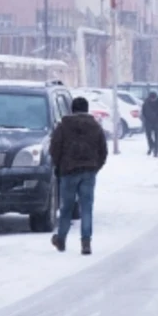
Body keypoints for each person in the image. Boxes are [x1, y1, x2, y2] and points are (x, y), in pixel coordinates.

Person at [49, 97, 108, 255]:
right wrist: (95, 167)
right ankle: (86, 243)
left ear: (72, 109)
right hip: (88, 172)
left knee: (66, 208)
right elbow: (103, 151)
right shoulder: (95, 126)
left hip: (68, 172)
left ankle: (61, 239)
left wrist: (58, 165)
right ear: (87, 109)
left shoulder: (63, 126)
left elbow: (54, 148)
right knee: (86, 208)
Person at [141, 92, 158, 157]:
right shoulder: (146, 103)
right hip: (148, 122)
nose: (153, 100)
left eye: (154, 98)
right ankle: (151, 147)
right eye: (152, 98)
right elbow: (143, 112)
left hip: (156, 122)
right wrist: (145, 120)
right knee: (149, 136)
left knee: (157, 137)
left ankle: (156, 151)